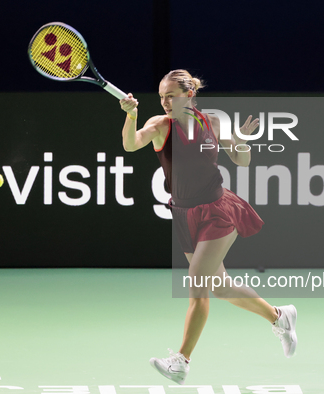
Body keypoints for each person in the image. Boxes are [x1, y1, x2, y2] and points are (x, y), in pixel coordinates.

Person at [119, 70, 297, 385]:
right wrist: (131, 116)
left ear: (189, 95)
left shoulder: (210, 124)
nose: (164, 102)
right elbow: (132, 144)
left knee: (197, 285)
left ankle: (181, 361)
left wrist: (240, 141)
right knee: (221, 287)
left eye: (170, 95)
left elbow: (243, 161)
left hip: (218, 212)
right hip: (185, 215)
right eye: (161, 96)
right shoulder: (161, 126)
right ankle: (280, 317)